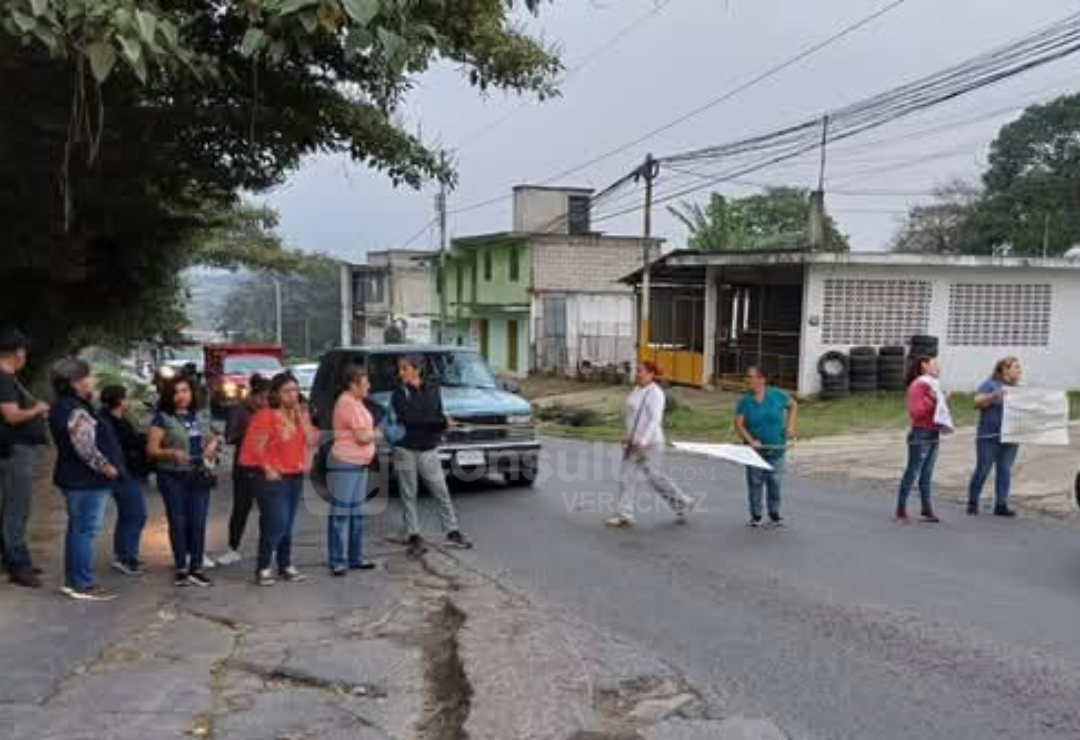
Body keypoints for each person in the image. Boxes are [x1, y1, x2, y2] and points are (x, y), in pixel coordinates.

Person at [48, 359, 123, 601]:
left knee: (78, 530)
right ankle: (83, 584)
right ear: (75, 382)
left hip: (77, 479)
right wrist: (106, 467)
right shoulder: (74, 409)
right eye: (88, 378)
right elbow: (85, 446)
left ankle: (75, 581)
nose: (92, 382)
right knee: (85, 531)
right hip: (85, 481)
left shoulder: (66, 405)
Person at [240, 373, 319, 587]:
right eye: (287, 391)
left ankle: (285, 564)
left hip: (294, 475)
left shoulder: (299, 415)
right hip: (271, 476)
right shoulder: (266, 416)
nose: (292, 395)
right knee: (278, 521)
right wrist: (267, 468)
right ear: (276, 394)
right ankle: (263, 566)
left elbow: (312, 440)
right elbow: (255, 448)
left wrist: (304, 420)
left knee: (287, 523)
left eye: (295, 390)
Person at [391, 355, 471, 556]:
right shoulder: (399, 393)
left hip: (429, 447)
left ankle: (452, 532)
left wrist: (440, 425)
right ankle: (413, 535)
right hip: (405, 447)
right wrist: (441, 423)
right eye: (400, 369)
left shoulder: (433, 389)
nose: (400, 373)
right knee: (409, 494)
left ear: (417, 370)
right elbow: (410, 419)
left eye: (404, 368)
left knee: (441, 491)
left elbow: (436, 412)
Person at [147, 376, 220, 587]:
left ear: (192, 392)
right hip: (172, 476)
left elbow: (214, 436)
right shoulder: (163, 418)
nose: (181, 396)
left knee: (197, 521)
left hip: (198, 473)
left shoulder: (200, 415)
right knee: (178, 521)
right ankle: (181, 566)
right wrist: (170, 453)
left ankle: (196, 567)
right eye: (176, 392)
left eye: (185, 391)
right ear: (169, 396)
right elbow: (151, 450)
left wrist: (213, 443)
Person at [605, 361, 694, 528]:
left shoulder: (655, 393)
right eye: (636, 371)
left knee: (655, 478)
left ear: (651, 374)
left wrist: (644, 441)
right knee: (626, 478)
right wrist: (628, 437)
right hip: (633, 442)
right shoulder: (637, 389)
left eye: (641, 371)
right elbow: (632, 417)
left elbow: (655, 420)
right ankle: (624, 514)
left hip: (650, 443)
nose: (637, 374)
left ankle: (682, 501)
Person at [0, 326, 50, 588]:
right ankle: (18, 566)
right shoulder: (4, 379)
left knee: (13, 508)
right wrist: (37, 409)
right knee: (16, 510)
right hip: (16, 452)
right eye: (24, 350)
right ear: (16, 352)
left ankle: (14, 559)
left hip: (17, 451)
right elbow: (11, 415)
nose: (26, 355)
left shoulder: (10, 379)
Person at [327, 365, 379, 575]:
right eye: (365, 383)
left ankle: (355, 557)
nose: (369, 386)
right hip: (345, 464)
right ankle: (337, 560)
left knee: (357, 515)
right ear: (352, 384)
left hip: (359, 464)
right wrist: (381, 433)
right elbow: (362, 436)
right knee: (340, 514)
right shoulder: (346, 403)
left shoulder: (357, 401)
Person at [215, 375, 271, 566]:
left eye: (268, 399)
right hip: (244, 466)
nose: (264, 403)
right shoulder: (239, 410)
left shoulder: (269, 410)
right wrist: (252, 432)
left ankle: (268, 548)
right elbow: (230, 436)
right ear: (253, 396)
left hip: (266, 465)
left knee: (268, 510)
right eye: (262, 398)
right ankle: (233, 548)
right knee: (241, 508)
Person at [735, 366, 798, 527]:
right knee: (755, 482)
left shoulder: (777, 395)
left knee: (774, 481)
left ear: (762, 379)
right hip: (754, 451)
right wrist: (751, 441)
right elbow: (739, 425)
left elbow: (793, 405)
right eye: (747, 377)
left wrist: (790, 427)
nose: (748, 380)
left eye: (751, 377)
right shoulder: (745, 401)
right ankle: (756, 515)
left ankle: (774, 513)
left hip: (776, 447)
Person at [99, 385, 149, 575]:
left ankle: (124, 554)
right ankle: (127, 557)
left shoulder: (118, 420)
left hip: (128, 472)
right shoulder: (110, 423)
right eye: (126, 398)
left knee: (128, 515)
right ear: (119, 401)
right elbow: (125, 444)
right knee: (136, 515)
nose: (129, 402)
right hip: (122, 473)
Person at [967, 357, 1023, 517]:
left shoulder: (1019, 390)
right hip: (988, 437)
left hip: (1011, 437)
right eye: (1016, 367)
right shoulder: (990, 384)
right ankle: (972, 501)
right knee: (983, 470)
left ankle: (1001, 505)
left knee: (1004, 470)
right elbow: (976, 403)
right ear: (1005, 369)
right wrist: (993, 396)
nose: (1019, 371)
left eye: (1019, 368)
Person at [896, 356, 947, 524]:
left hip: (933, 432)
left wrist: (941, 401)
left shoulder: (933, 385)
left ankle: (926, 509)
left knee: (927, 473)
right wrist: (934, 400)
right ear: (924, 366)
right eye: (934, 364)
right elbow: (916, 412)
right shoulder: (918, 385)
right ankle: (900, 511)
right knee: (913, 472)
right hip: (920, 433)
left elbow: (938, 411)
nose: (938, 367)